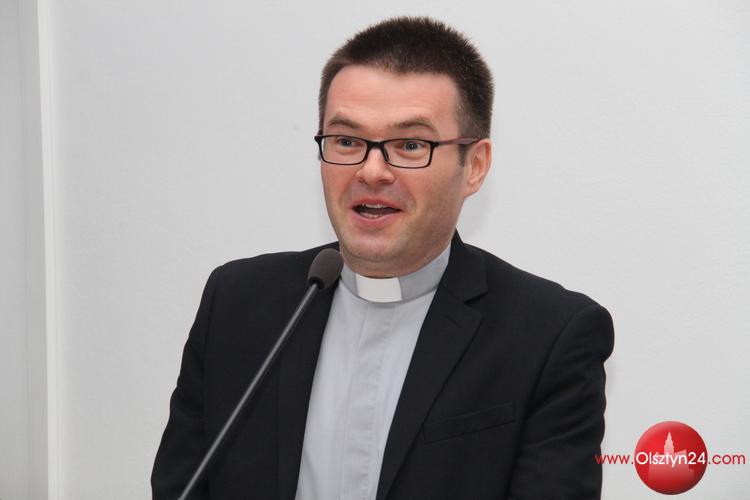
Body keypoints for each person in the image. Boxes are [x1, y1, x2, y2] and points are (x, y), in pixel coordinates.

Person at [152, 16, 614, 500]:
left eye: (410, 145)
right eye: (347, 141)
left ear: (475, 166)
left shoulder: (550, 336)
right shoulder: (236, 303)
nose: (372, 171)